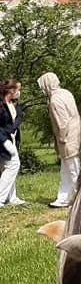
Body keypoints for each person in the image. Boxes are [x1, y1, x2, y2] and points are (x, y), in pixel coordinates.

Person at [37, 72, 81, 208]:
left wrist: (61, 138)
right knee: (66, 170)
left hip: (68, 137)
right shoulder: (65, 92)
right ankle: (63, 198)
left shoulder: (55, 100)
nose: (41, 89)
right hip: (76, 132)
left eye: (42, 86)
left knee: (74, 169)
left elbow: (62, 122)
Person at [0, 78, 26, 206]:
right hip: (3, 140)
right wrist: (5, 141)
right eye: (18, 89)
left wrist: (14, 127)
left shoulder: (14, 103)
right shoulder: (1, 104)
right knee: (13, 165)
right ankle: (0, 198)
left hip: (12, 138)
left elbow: (18, 117)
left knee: (7, 167)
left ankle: (12, 197)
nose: (19, 92)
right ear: (11, 90)